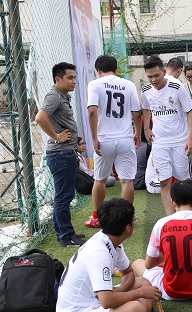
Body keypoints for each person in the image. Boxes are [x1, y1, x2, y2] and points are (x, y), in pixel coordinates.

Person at [56, 198, 173, 312]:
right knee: (137, 308)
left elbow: (128, 272)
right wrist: (139, 294)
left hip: (97, 297)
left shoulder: (111, 239)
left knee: (143, 282)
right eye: (134, 219)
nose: (135, 221)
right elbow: (107, 301)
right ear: (128, 227)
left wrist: (122, 291)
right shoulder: (99, 253)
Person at [84, 55, 142, 228]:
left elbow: (92, 111)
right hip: (125, 138)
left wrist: (94, 137)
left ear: (98, 70)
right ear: (116, 69)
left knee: (100, 180)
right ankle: (127, 219)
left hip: (105, 140)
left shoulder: (94, 84)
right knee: (127, 181)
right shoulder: (128, 84)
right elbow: (137, 113)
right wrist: (137, 133)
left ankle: (97, 217)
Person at [34, 62, 86, 246]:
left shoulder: (63, 96)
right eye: (70, 78)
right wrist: (57, 137)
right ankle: (65, 236)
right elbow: (40, 118)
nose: (74, 81)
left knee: (64, 195)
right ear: (58, 79)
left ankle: (65, 232)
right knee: (64, 196)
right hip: (60, 154)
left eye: (74, 77)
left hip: (66, 152)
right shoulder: (54, 96)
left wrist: (74, 141)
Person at [141, 55, 192, 215]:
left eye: (156, 75)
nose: (153, 79)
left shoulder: (177, 86)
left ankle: (189, 215)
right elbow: (145, 108)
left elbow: (190, 110)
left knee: (183, 180)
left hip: (180, 141)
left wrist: (191, 136)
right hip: (159, 143)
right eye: (149, 76)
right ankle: (171, 218)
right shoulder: (146, 90)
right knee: (164, 181)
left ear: (164, 71)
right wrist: (146, 128)